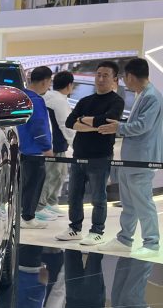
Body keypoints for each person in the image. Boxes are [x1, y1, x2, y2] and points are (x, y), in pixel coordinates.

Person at [98, 58, 163, 257]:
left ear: (131, 76)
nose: (124, 81)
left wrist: (118, 127)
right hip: (132, 158)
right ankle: (124, 239)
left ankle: (151, 243)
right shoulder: (143, 95)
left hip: (141, 159)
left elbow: (142, 126)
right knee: (129, 203)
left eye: (124, 77)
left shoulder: (151, 97)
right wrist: (120, 126)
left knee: (143, 203)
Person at [57, 61, 125, 246]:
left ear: (114, 79)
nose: (100, 79)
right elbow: (70, 122)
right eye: (98, 74)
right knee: (74, 195)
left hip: (100, 156)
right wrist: (94, 125)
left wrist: (83, 120)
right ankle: (75, 228)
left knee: (98, 197)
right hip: (79, 153)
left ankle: (97, 231)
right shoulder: (85, 101)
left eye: (105, 75)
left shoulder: (116, 101)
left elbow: (108, 120)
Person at [18, 66, 54, 229]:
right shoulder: (36, 100)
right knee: (34, 185)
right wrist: (46, 147)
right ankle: (28, 218)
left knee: (24, 185)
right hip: (34, 151)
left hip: (22, 149)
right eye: (49, 82)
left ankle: (21, 215)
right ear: (45, 81)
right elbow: (39, 126)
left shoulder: (21, 97)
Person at [37, 70, 76, 219]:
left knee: (58, 175)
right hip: (55, 145)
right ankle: (41, 206)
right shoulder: (59, 101)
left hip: (52, 144)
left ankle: (50, 203)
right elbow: (66, 125)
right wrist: (75, 144)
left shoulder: (48, 97)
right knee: (52, 176)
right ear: (69, 85)